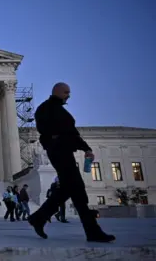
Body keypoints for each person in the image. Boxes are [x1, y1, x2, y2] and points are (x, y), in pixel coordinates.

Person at [27, 82, 115, 243]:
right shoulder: (47, 109)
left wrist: (85, 148)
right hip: (59, 152)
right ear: (57, 92)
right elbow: (52, 133)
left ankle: (39, 218)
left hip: (63, 152)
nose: (69, 95)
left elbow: (71, 134)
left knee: (71, 189)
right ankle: (92, 231)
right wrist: (58, 142)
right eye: (66, 92)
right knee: (77, 190)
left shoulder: (57, 110)